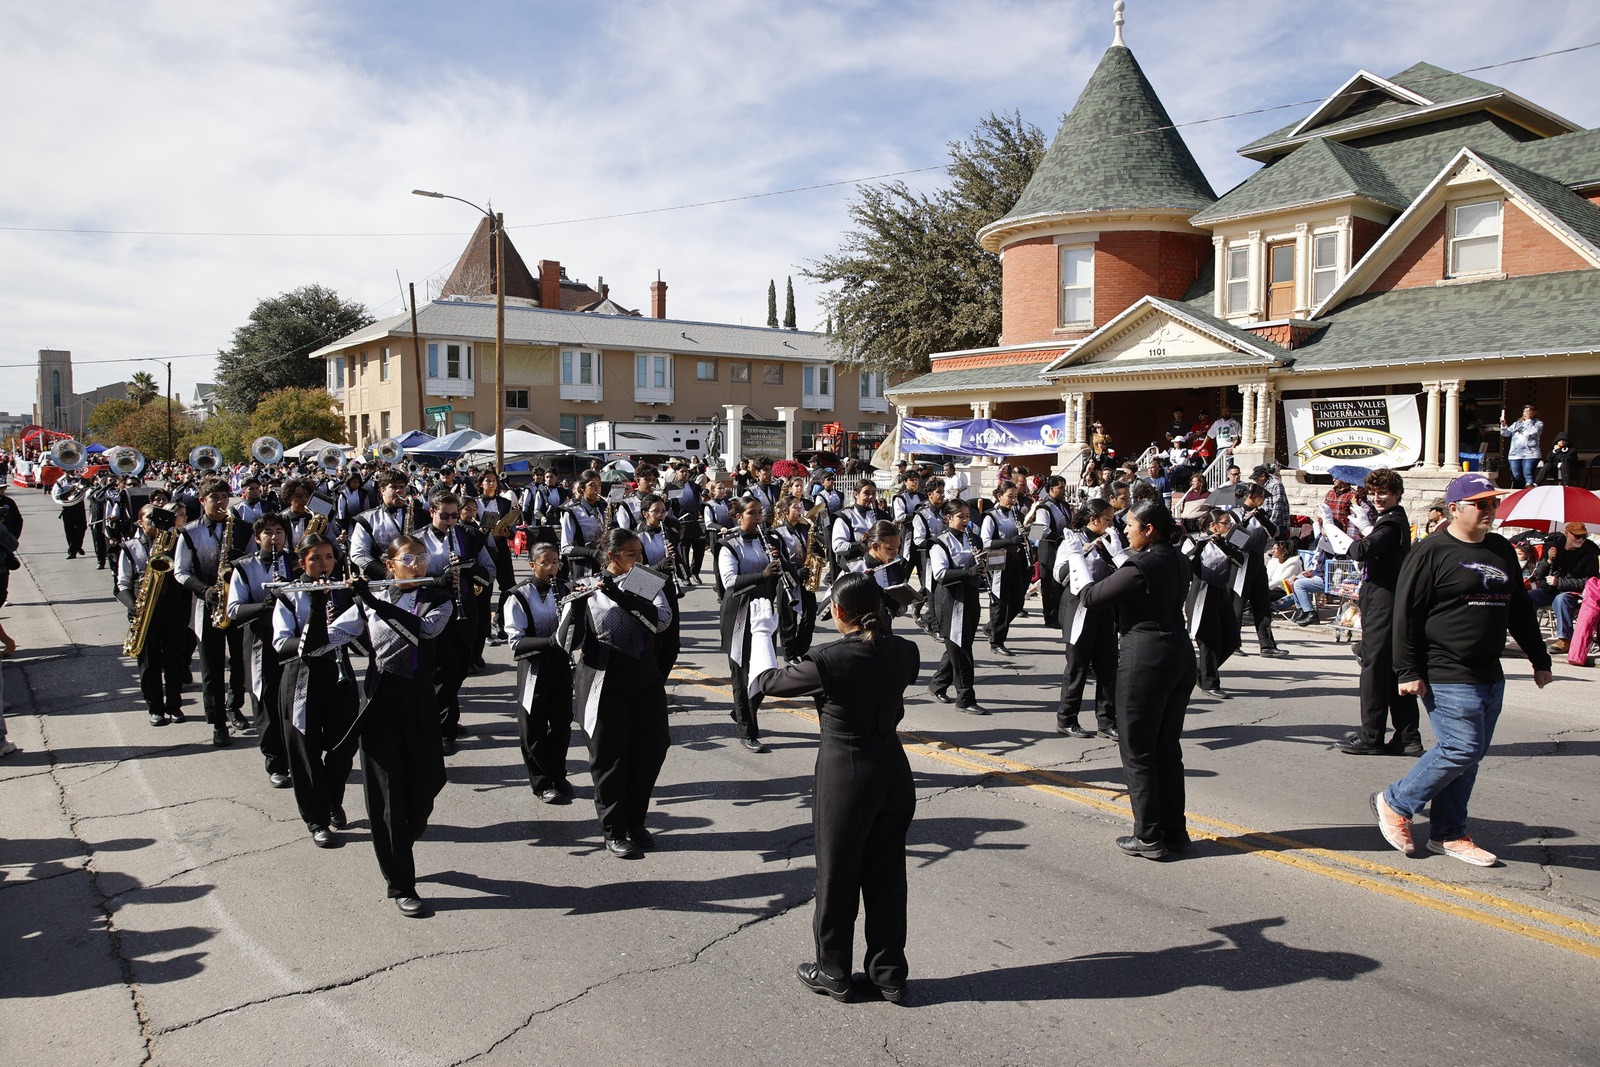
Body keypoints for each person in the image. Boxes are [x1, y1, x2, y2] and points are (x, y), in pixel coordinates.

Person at [750, 573, 920, 1004]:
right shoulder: (906, 650)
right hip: (893, 769)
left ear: (839, 614)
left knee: (837, 876)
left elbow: (766, 684)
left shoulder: (828, 659)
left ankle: (833, 970)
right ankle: (889, 974)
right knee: (887, 877)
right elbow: (885, 649)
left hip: (847, 771)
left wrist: (761, 633)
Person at [1373, 473, 1555, 867]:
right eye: (1481, 503)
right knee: (1462, 747)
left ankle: (1449, 833)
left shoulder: (1502, 549)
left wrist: (1539, 658)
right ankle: (1396, 801)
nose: (1490, 510)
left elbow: (1519, 608)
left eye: (1493, 503)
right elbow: (1405, 615)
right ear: (1454, 508)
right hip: (1444, 668)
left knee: (1469, 757)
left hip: (1488, 672)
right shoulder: (1431, 551)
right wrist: (1406, 670)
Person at [1080, 499, 1197, 858]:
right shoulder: (1176, 557)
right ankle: (1174, 831)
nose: (1124, 530)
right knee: (1166, 749)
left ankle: (1148, 835)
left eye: (1130, 525)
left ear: (1148, 530)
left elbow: (1090, 597)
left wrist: (1076, 558)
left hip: (1147, 657)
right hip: (1178, 651)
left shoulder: (1142, 564)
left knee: (1138, 749)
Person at [344, 536, 454, 917]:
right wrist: (308, 608)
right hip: (380, 701)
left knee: (428, 785)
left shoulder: (438, 598)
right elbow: (337, 638)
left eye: (423, 558)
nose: (419, 564)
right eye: (409, 558)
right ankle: (401, 882)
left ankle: (399, 843)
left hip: (420, 702)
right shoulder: (370, 598)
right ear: (389, 565)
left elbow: (423, 632)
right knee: (388, 796)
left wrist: (375, 604)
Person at [560, 527, 675, 858]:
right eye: (631, 554)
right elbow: (567, 643)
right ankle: (613, 829)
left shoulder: (643, 580)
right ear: (611, 557)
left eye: (641, 553)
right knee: (610, 756)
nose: (640, 560)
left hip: (644, 679)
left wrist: (619, 594)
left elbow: (661, 621)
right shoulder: (585, 586)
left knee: (652, 748)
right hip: (602, 680)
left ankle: (635, 821)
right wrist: (579, 607)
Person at [271, 534, 363, 848]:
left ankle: (332, 800)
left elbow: (363, 641)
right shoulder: (288, 594)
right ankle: (316, 819)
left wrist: (353, 621)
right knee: (305, 755)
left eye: (328, 558)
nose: (323, 565)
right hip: (301, 678)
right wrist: (318, 632)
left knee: (342, 750)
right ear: (302, 562)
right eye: (315, 559)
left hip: (339, 677)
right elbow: (282, 642)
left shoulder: (344, 591)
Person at [1337, 469, 1421, 757]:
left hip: (1386, 600)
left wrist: (1340, 535)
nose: (1378, 498)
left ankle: (1371, 735)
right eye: (1374, 493)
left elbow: (1362, 551)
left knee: (1374, 668)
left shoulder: (1392, 522)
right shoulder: (1387, 521)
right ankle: (1408, 736)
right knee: (1390, 668)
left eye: (1384, 492)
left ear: (1397, 494)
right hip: (1381, 596)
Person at [173, 476, 253, 746]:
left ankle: (234, 705)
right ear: (202, 501)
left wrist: (242, 560)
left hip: (238, 600)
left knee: (241, 662)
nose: (220, 503)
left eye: (223, 497)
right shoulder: (189, 532)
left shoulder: (243, 528)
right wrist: (204, 590)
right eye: (214, 498)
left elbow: (254, 561)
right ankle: (217, 721)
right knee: (211, 667)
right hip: (208, 602)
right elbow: (180, 572)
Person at [417, 491, 495, 753]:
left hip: (465, 610)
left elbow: (489, 573)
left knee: (461, 667)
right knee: (442, 670)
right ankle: (443, 728)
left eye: (454, 515)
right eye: (444, 516)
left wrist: (467, 567)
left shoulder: (471, 536)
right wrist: (437, 579)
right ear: (432, 513)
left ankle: (447, 714)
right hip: (431, 609)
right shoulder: (416, 540)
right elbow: (406, 579)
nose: (451, 521)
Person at [224, 514, 297, 786]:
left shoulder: (296, 561)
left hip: (291, 638)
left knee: (293, 698)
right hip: (259, 639)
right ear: (257, 538)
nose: (275, 537)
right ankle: (275, 762)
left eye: (279, 531)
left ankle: (298, 755)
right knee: (265, 698)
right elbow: (234, 611)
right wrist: (264, 606)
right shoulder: (244, 566)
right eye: (268, 532)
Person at [505, 543, 574, 805]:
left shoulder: (566, 589)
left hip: (561, 665)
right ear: (532, 565)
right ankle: (541, 781)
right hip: (534, 665)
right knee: (533, 727)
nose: (552, 567)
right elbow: (516, 641)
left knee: (561, 724)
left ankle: (558, 774)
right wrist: (551, 642)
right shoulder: (518, 595)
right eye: (545, 563)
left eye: (556, 562)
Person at [115, 503, 196, 728]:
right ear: (140, 522)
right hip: (145, 611)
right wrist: (134, 607)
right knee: (148, 663)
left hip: (173, 609)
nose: (156, 522)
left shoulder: (176, 542)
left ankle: (174, 705)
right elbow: (122, 584)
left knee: (174, 661)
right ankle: (155, 708)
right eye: (150, 517)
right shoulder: (130, 547)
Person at [719, 498, 782, 753]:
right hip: (740, 613)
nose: (758, 518)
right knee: (742, 674)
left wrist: (780, 566)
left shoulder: (770, 540)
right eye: (751, 513)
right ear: (738, 516)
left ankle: (741, 711)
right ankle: (747, 730)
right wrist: (763, 574)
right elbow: (729, 581)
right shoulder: (728, 546)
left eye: (760, 513)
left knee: (765, 670)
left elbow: (780, 571)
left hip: (764, 610)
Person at [1055, 498, 1122, 740]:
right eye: (1107, 520)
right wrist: (1081, 553)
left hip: (1105, 609)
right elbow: (1059, 575)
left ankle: (1106, 721)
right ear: (1093, 520)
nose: (1112, 524)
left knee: (1108, 667)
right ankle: (1067, 718)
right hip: (1080, 609)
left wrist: (1112, 552)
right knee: (1078, 667)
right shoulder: (1073, 539)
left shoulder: (1110, 539)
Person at [927, 501, 986, 714]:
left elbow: (978, 565)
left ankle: (937, 684)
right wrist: (968, 572)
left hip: (970, 597)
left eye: (968, 516)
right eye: (960, 516)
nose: (965, 521)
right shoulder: (939, 543)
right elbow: (940, 574)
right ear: (948, 517)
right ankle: (965, 697)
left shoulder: (974, 538)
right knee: (961, 650)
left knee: (960, 644)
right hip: (952, 600)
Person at [1186, 508, 1245, 700]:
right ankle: (1210, 683)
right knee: (1210, 643)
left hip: (1222, 594)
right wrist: (1202, 545)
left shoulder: (1228, 541)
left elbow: (1240, 560)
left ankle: (1200, 671)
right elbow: (1186, 563)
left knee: (1232, 640)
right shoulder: (1193, 539)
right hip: (1202, 596)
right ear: (1213, 525)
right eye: (1225, 523)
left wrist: (1223, 545)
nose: (1229, 526)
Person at [1233, 484, 1287, 659]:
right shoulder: (1235, 513)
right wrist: (1246, 520)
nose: (1263, 499)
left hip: (1257, 561)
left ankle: (1267, 645)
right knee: (1237, 606)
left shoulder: (1262, 513)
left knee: (1262, 606)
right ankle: (1233, 643)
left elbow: (1275, 533)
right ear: (1251, 496)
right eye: (1261, 496)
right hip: (1241, 562)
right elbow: (1235, 541)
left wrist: (1262, 518)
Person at [635, 494, 684, 678]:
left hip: (668, 589)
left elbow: (680, 564)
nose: (661, 515)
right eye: (656, 511)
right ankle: (650, 686)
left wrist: (675, 556)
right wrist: (658, 567)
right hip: (647, 592)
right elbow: (635, 570)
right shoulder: (636, 537)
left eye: (663, 511)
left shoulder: (671, 534)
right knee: (652, 644)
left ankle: (658, 682)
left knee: (672, 647)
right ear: (645, 513)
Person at [1529, 523, 1598, 653]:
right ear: (1567, 533)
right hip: (1550, 591)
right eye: (1577, 536)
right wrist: (1548, 560)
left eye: (1584, 536)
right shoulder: (1553, 547)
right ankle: (1528, 635)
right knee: (1529, 597)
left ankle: (1565, 639)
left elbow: (1589, 582)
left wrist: (1559, 582)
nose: (1581, 540)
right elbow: (1539, 574)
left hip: (1574, 594)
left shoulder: (1590, 554)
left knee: (1561, 599)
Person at [980, 483, 1028, 656]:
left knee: (1017, 602)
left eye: (1015, 496)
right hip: (998, 561)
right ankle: (997, 641)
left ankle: (991, 627)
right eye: (1010, 496)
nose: (1013, 500)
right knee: (1001, 602)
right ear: (999, 496)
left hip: (1014, 560)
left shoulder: (1016, 514)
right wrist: (1010, 541)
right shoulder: (990, 516)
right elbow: (986, 543)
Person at [473, 470, 520, 645]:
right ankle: (485, 632)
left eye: (494, 481)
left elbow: (511, 527)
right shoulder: (475, 503)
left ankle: (499, 621)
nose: (491, 483)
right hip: (482, 550)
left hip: (500, 548)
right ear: (481, 483)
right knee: (485, 590)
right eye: (488, 481)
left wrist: (508, 534)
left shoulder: (505, 502)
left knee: (508, 587)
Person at [1025, 476, 1071, 630]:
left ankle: (1060, 613)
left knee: (1061, 582)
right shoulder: (1044, 507)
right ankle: (1050, 616)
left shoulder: (1063, 505)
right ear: (1051, 489)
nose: (1064, 490)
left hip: (1062, 547)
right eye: (1061, 487)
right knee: (1050, 583)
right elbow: (1041, 530)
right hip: (1049, 548)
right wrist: (1062, 536)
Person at [559, 473, 608, 582]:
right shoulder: (571, 512)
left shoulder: (604, 507)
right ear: (582, 488)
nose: (597, 489)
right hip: (584, 568)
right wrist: (592, 553)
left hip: (604, 564)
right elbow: (565, 548)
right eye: (592, 485)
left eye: (599, 485)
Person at [1499, 404, 1544, 489]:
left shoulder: (1538, 423)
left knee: (1528, 474)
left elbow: (1533, 432)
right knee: (1517, 476)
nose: (1526, 413)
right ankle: (1519, 493)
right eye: (1525, 411)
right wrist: (1504, 425)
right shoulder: (1517, 424)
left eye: (1529, 411)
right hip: (1515, 454)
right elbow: (1506, 433)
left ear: (1534, 413)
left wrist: (1528, 421)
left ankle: (1530, 491)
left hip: (1531, 454)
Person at [57, 474, 88, 559]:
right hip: (67, 508)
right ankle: (72, 551)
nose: (70, 473)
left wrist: (82, 481)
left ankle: (77, 545)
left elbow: (86, 486)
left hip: (79, 506)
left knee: (82, 528)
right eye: (68, 471)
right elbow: (58, 496)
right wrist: (69, 491)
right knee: (69, 530)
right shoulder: (60, 482)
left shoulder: (78, 479)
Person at [1457, 397, 1485, 471]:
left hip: (1469, 441)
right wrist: (1477, 424)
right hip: (1464, 441)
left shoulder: (1470, 415)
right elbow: (1468, 427)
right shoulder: (1462, 415)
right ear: (1468, 405)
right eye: (1473, 406)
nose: (1475, 408)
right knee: (1467, 460)